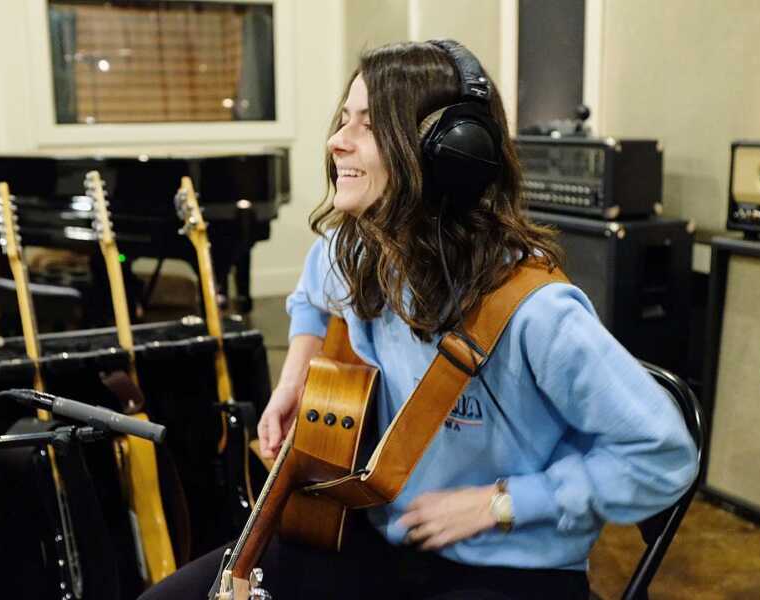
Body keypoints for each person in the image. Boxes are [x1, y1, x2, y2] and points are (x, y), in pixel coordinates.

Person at [140, 40, 698, 600]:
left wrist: (502, 502)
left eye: (369, 125)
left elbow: (664, 455)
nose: (337, 140)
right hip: (375, 534)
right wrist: (296, 375)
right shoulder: (360, 252)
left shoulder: (538, 312)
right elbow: (314, 288)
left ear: (447, 153)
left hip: (510, 566)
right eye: (342, 119)